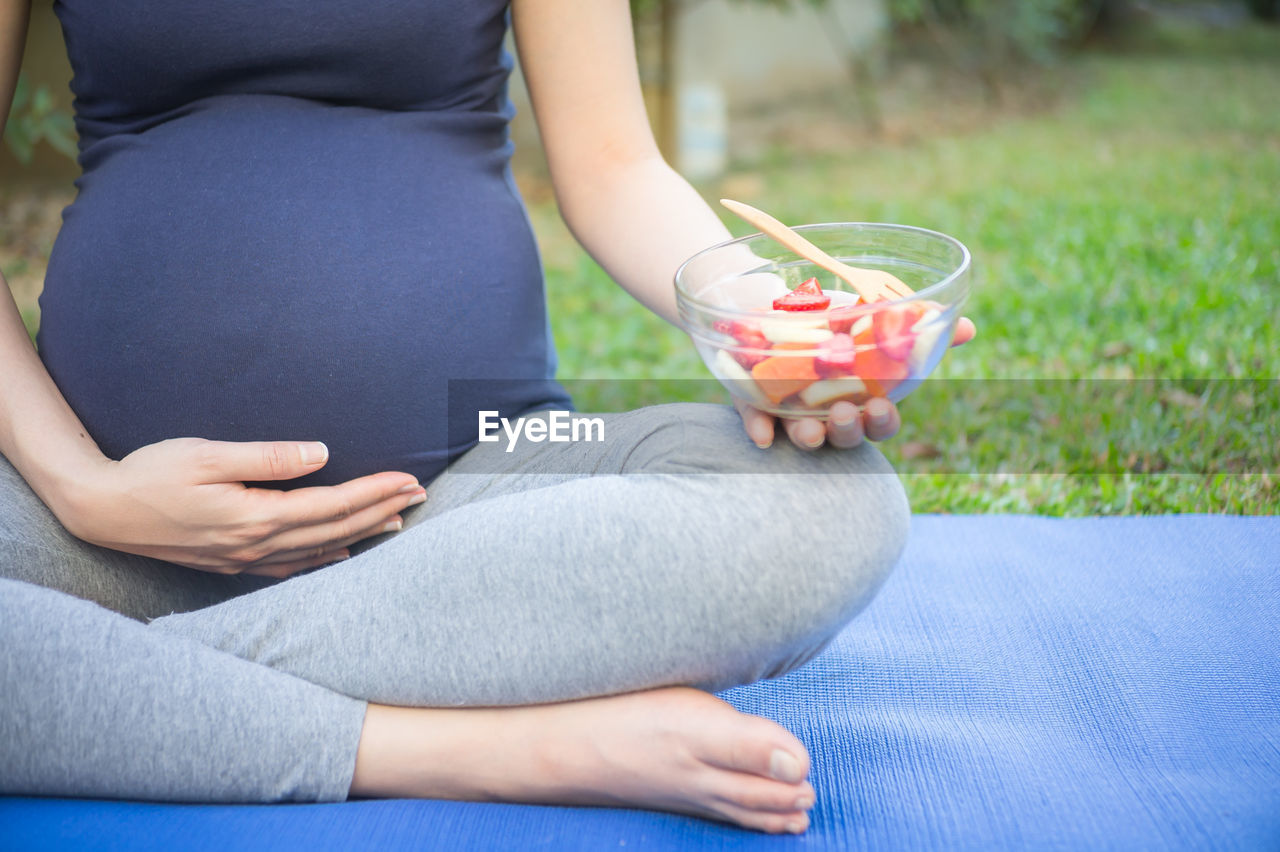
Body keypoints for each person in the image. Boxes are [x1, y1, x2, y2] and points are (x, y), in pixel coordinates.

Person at [0, 0, 974, 835]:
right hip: (95, 530)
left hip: (476, 486)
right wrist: (82, 489)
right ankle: (468, 746)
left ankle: (108, 690)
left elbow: (613, 167)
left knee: (824, 506)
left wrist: (760, 319)